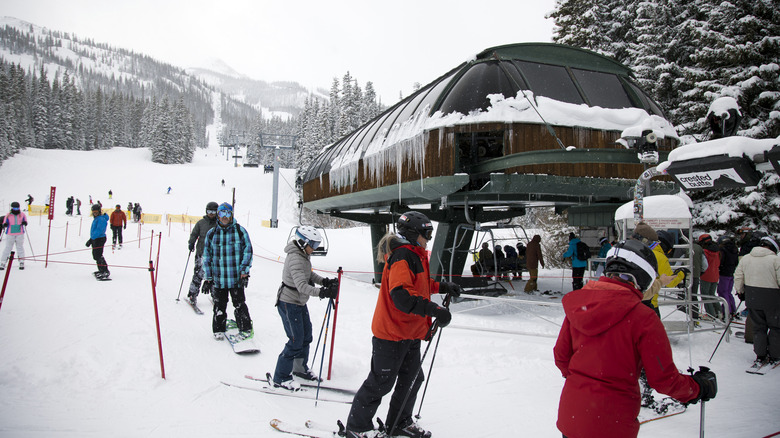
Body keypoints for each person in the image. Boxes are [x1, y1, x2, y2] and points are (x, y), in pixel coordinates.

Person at [554, 239, 717, 438]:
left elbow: (561, 356)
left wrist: (582, 381)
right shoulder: (643, 318)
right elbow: (664, 379)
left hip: (572, 415)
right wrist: (698, 388)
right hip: (612, 422)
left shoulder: (581, 305)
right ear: (642, 278)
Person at [345, 211, 459, 438]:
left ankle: (399, 422)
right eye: (426, 233)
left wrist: (443, 287)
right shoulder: (402, 257)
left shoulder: (415, 255)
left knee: (413, 378)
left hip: (410, 332)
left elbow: (419, 284)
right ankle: (357, 427)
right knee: (381, 382)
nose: (429, 238)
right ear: (413, 233)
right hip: (391, 333)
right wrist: (433, 309)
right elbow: (401, 296)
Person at [271, 226, 339, 389]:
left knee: (306, 336)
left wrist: (325, 282)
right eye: (313, 245)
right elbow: (302, 285)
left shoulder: (303, 255)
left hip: (299, 302)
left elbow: (308, 274)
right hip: (289, 303)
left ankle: (299, 368)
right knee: (295, 340)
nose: (314, 249)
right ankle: (280, 377)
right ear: (303, 242)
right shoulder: (295, 258)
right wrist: (322, 292)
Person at [202, 202, 254, 341]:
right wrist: (208, 278)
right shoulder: (212, 234)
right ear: (218, 216)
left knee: (239, 304)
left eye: (227, 214)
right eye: (221, 214)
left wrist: (244, 271)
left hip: (235, 278)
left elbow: (247, 251)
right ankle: (218, 329)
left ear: (231, 215)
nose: (224, 217)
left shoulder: (239, 231)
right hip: (219, 279)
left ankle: (245, 327)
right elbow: (206, 256)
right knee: (219, 305)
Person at [734, 236, 780, 370]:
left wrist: (740, 291)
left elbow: (738, 275)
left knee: (759, 327)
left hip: (753, 296)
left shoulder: (747, 258)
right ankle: (775, 355)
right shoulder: (776, 260)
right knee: (776, 327)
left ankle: (760, 355)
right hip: (772, 298)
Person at [186, 202, 218, 305]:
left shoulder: (219, 224)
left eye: (214, 211)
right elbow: (194, 234)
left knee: (215, 275)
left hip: (215, 255)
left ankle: (216, 295)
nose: (211, 214)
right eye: (209, 211)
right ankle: (192, 295)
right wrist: (191, 243)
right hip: (201, 253)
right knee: (198, 274)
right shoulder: (201, 223)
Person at [698, 234, 721, 319]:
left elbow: (703, 264)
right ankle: (719, 311)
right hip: (715, 275)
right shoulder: (717, 251)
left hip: (706, 275)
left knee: (705, 295)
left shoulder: (705, 252)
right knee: (712, 294)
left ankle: (710, 314)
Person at [718, 234, 740, 320]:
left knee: (723, 292)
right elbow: (736, 262)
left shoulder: (723, 250)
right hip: (731, 272)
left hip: (724, 273)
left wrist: (720, 267)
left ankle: (727, 311)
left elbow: (721, 260)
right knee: (728, 292)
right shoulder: (734, 249)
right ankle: (733, 309)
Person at [0, 202, 28, 270]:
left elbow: (25, 221)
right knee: (8, 247)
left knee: (20, 247)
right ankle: (3, 262)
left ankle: (21, 261)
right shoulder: (8, 215)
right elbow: (4, 222)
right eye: (14, 208)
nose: (16, 209)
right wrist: (5, 225)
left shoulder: (22, 214)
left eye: (17, 208)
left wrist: (25, 223)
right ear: (12, 208)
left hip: (19, 233)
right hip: (10, 233)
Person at [86, 204, 110, 279]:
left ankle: (105, 271)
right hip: (96, 238)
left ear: (99, 211)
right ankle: (101, 270)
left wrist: (92, 239)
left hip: (99, 239)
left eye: (96, 212)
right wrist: (91, 239)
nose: (94, 214)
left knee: (98, 255)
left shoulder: (101, 219)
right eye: (93, 212)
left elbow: (99, 230)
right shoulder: (97, 218)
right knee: (96, 255)